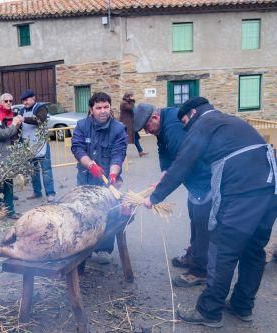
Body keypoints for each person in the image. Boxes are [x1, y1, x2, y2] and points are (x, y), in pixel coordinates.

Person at [143, 97, 276, 328]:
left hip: (242, 191)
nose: (185, 127)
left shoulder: (203, 124)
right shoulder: (229, 121)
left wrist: (154, 198)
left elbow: (183, 164)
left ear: (193, 113)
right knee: (254, 250)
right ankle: (242, 305)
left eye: (185, 121)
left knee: (223, 250)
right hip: (270, 188)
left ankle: (209, 311)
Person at [134, 103, 211, 287]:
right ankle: (194, 254)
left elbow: (183, 164)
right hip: (197, 178)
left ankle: (201, 270)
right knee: (195, 215)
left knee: (202, 221)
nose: (147, 131)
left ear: (155, 118)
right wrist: (163, 174)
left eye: (146, 127)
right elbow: (165, 153)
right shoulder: (162, 126)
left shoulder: (173, 127)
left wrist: (155, 197)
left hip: (205, 176)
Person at [71, 92, 128, 264]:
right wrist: (90, 165)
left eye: (106, 107)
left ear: (110, 108)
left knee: (108, 212)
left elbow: (118, 154)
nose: (103, 111)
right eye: (98, 108)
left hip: (108, 179)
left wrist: (112, 173)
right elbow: (77, 148)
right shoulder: (82, 126)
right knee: (83, 212)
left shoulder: (118, 129)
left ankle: (103, 248)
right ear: (91, 110)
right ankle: (85, 247)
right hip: (86, 177)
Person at [19, 89, 56, 202]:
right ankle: (37, 192)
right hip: (28, 146)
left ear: (33, 98)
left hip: (41, 145)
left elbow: (40, 119)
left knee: (46, 170)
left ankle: (50, 193)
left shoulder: (40, 108)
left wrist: (24, 119)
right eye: (23, 100)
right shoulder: (21, 111)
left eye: (27, 100)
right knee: (33, 171)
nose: (25, 102)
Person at [119, 92, 147, 157]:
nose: (133, 97)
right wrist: (132, 101)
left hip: (130, 124)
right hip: (126, 124)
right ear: (128, 97)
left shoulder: (127, 102)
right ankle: (122, 153)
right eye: (132, 96)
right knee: (125, 139)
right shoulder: (124, 103)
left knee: (135, 138)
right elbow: (131, 108)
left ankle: (141, 151)